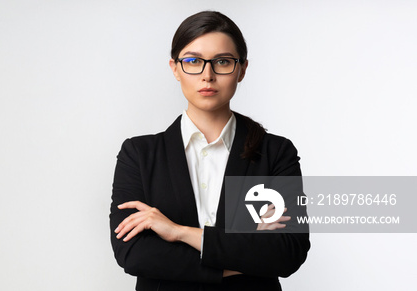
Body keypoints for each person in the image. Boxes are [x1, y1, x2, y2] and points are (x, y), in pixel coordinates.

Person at [109, 11, 310, 290]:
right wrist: (242, 257)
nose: (208, 75)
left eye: (223, 62)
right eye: (193, 61)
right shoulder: (139, 154)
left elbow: (288, 253)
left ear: (242, 69)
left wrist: (179, 233)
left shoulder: (276, 153)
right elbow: (133, 255)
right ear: (175, 68)